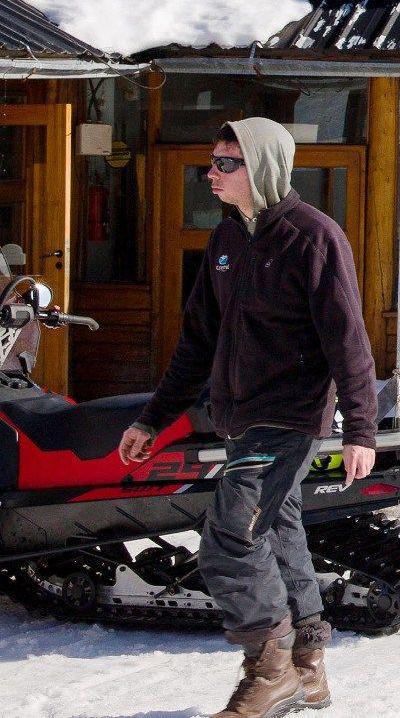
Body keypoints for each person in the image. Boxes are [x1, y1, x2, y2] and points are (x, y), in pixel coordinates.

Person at [118, 119, 377, 718]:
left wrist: (360, 428)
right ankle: (308, 667)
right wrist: (153, 419)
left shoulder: (314, 238)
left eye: (226, 164)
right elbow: (197, 340)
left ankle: (270, 670)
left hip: (286, 417)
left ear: (261, 168)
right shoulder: (227, 239)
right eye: (211, 162)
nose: (211, 173)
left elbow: (349, 340)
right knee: (277, 533)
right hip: (240, 415)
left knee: (230, 539)